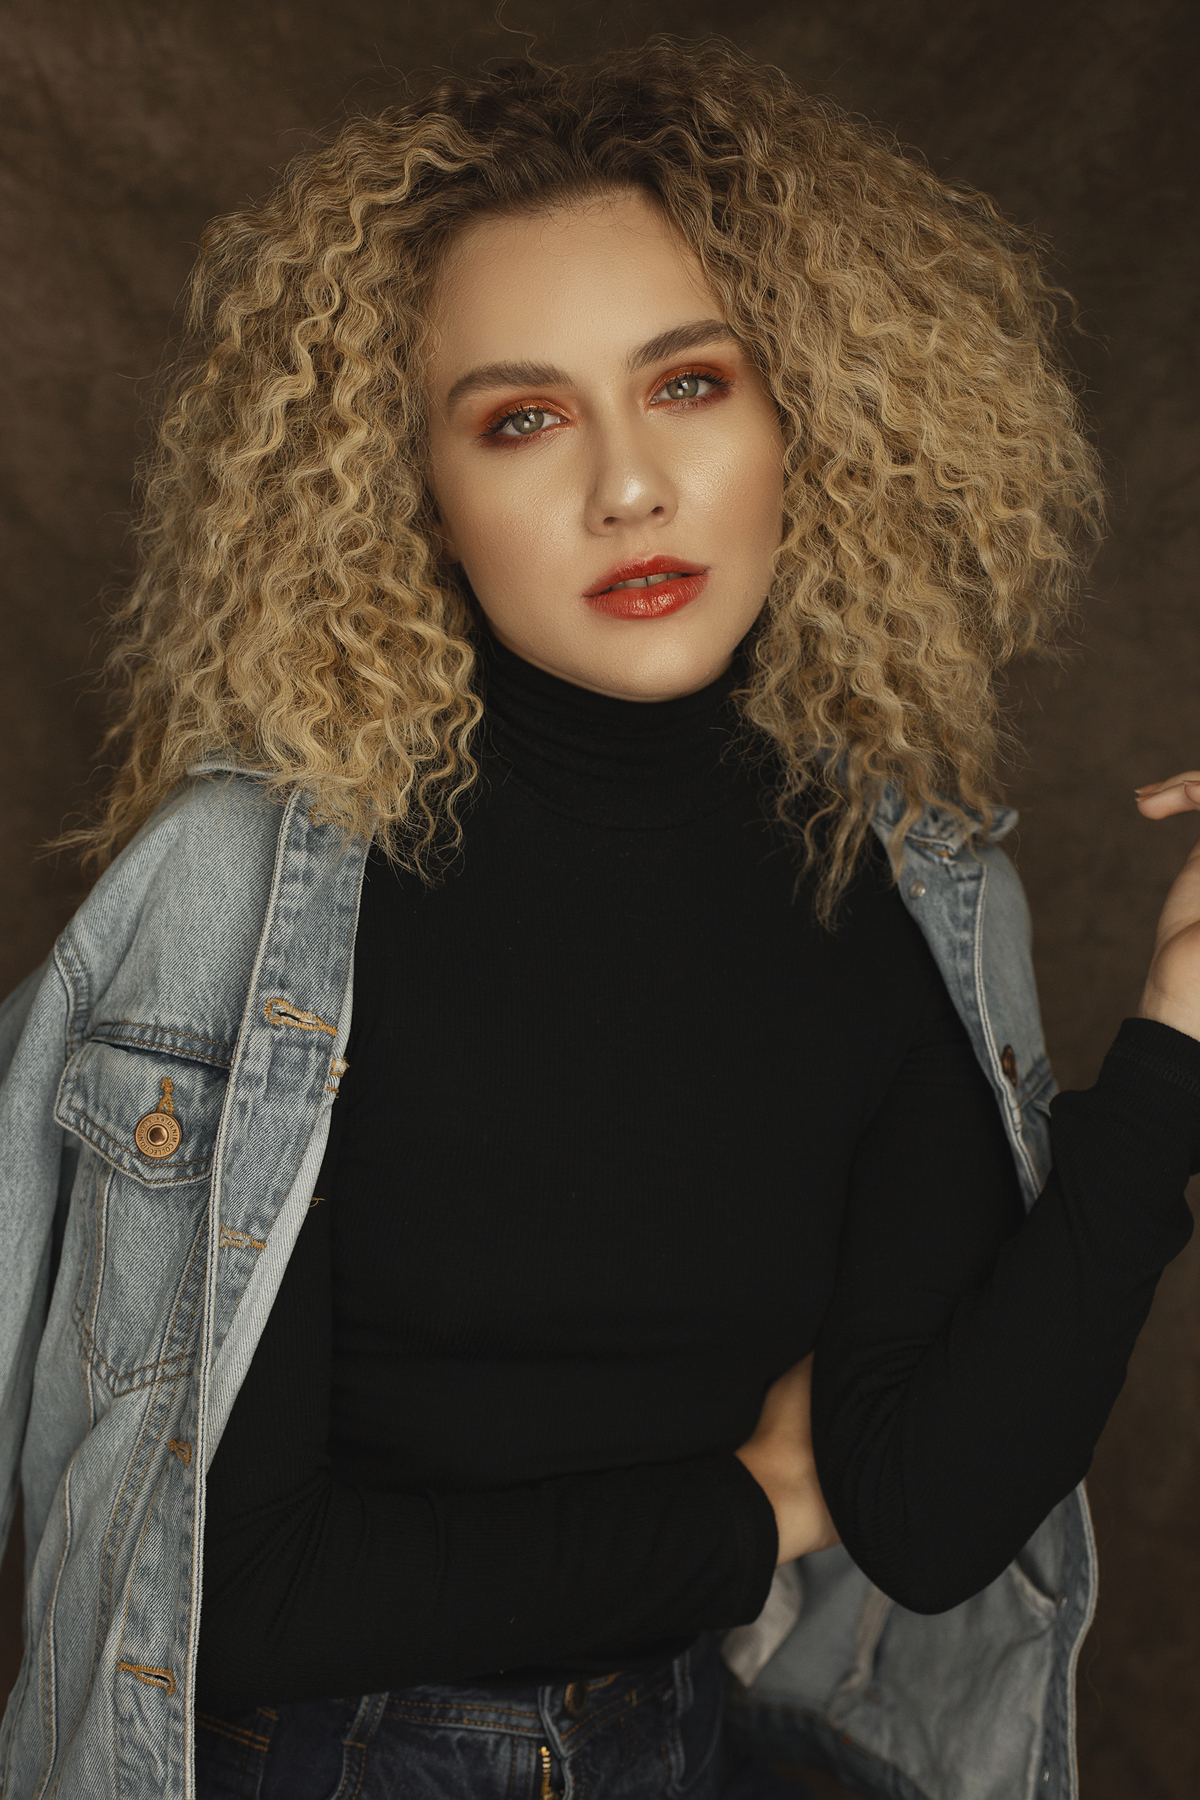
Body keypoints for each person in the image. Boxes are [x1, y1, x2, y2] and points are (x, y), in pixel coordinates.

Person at [1, 37, 1198, 1800]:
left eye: (690, 384)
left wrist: (1176, 1044)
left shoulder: (912, 890)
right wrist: (746, 1514)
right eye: (523, 418)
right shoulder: (245, 896)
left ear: (802, 418)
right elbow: (230, 1596)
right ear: (417, 494)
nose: (627, 486)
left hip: (680, 1744)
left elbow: (930, 1514)